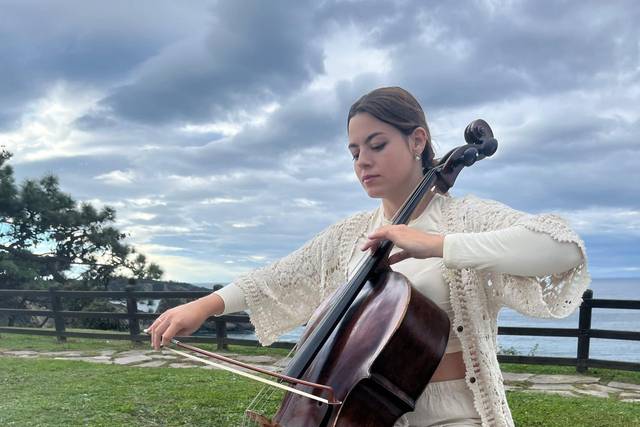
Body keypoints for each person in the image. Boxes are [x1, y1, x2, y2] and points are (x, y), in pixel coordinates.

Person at [147, 87, 589, 426]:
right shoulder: (352, 234)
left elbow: (560, 247)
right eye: (355, 152)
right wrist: (204, 305)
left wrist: (438, 246)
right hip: (361, 416)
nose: (362, 162)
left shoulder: (466, 217)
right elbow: (278, 278)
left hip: (457, 413)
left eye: (376, 145)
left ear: (417, 140)